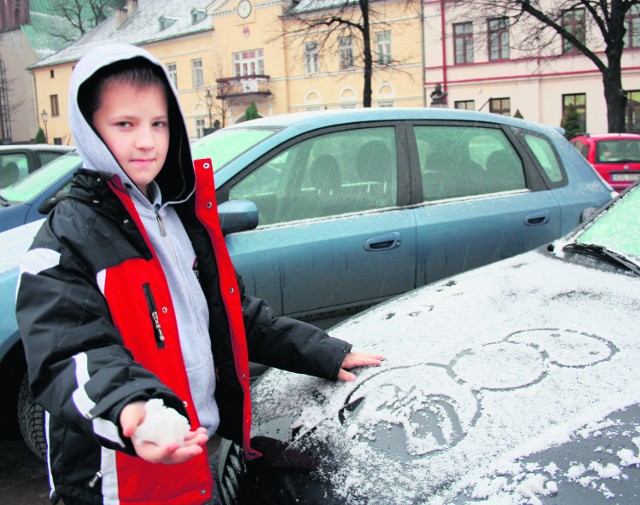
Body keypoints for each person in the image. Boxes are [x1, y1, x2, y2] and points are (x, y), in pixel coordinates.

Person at [16, 43, 382, 505]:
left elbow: (229, 316)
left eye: (158, 123)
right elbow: (69, 354)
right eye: (125, 124)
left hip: (199, 457)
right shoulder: (66, 241)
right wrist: (138, 410)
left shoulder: (178, 216)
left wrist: (324, 352)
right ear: (90, 129)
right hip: (121, 480)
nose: (146, 141)